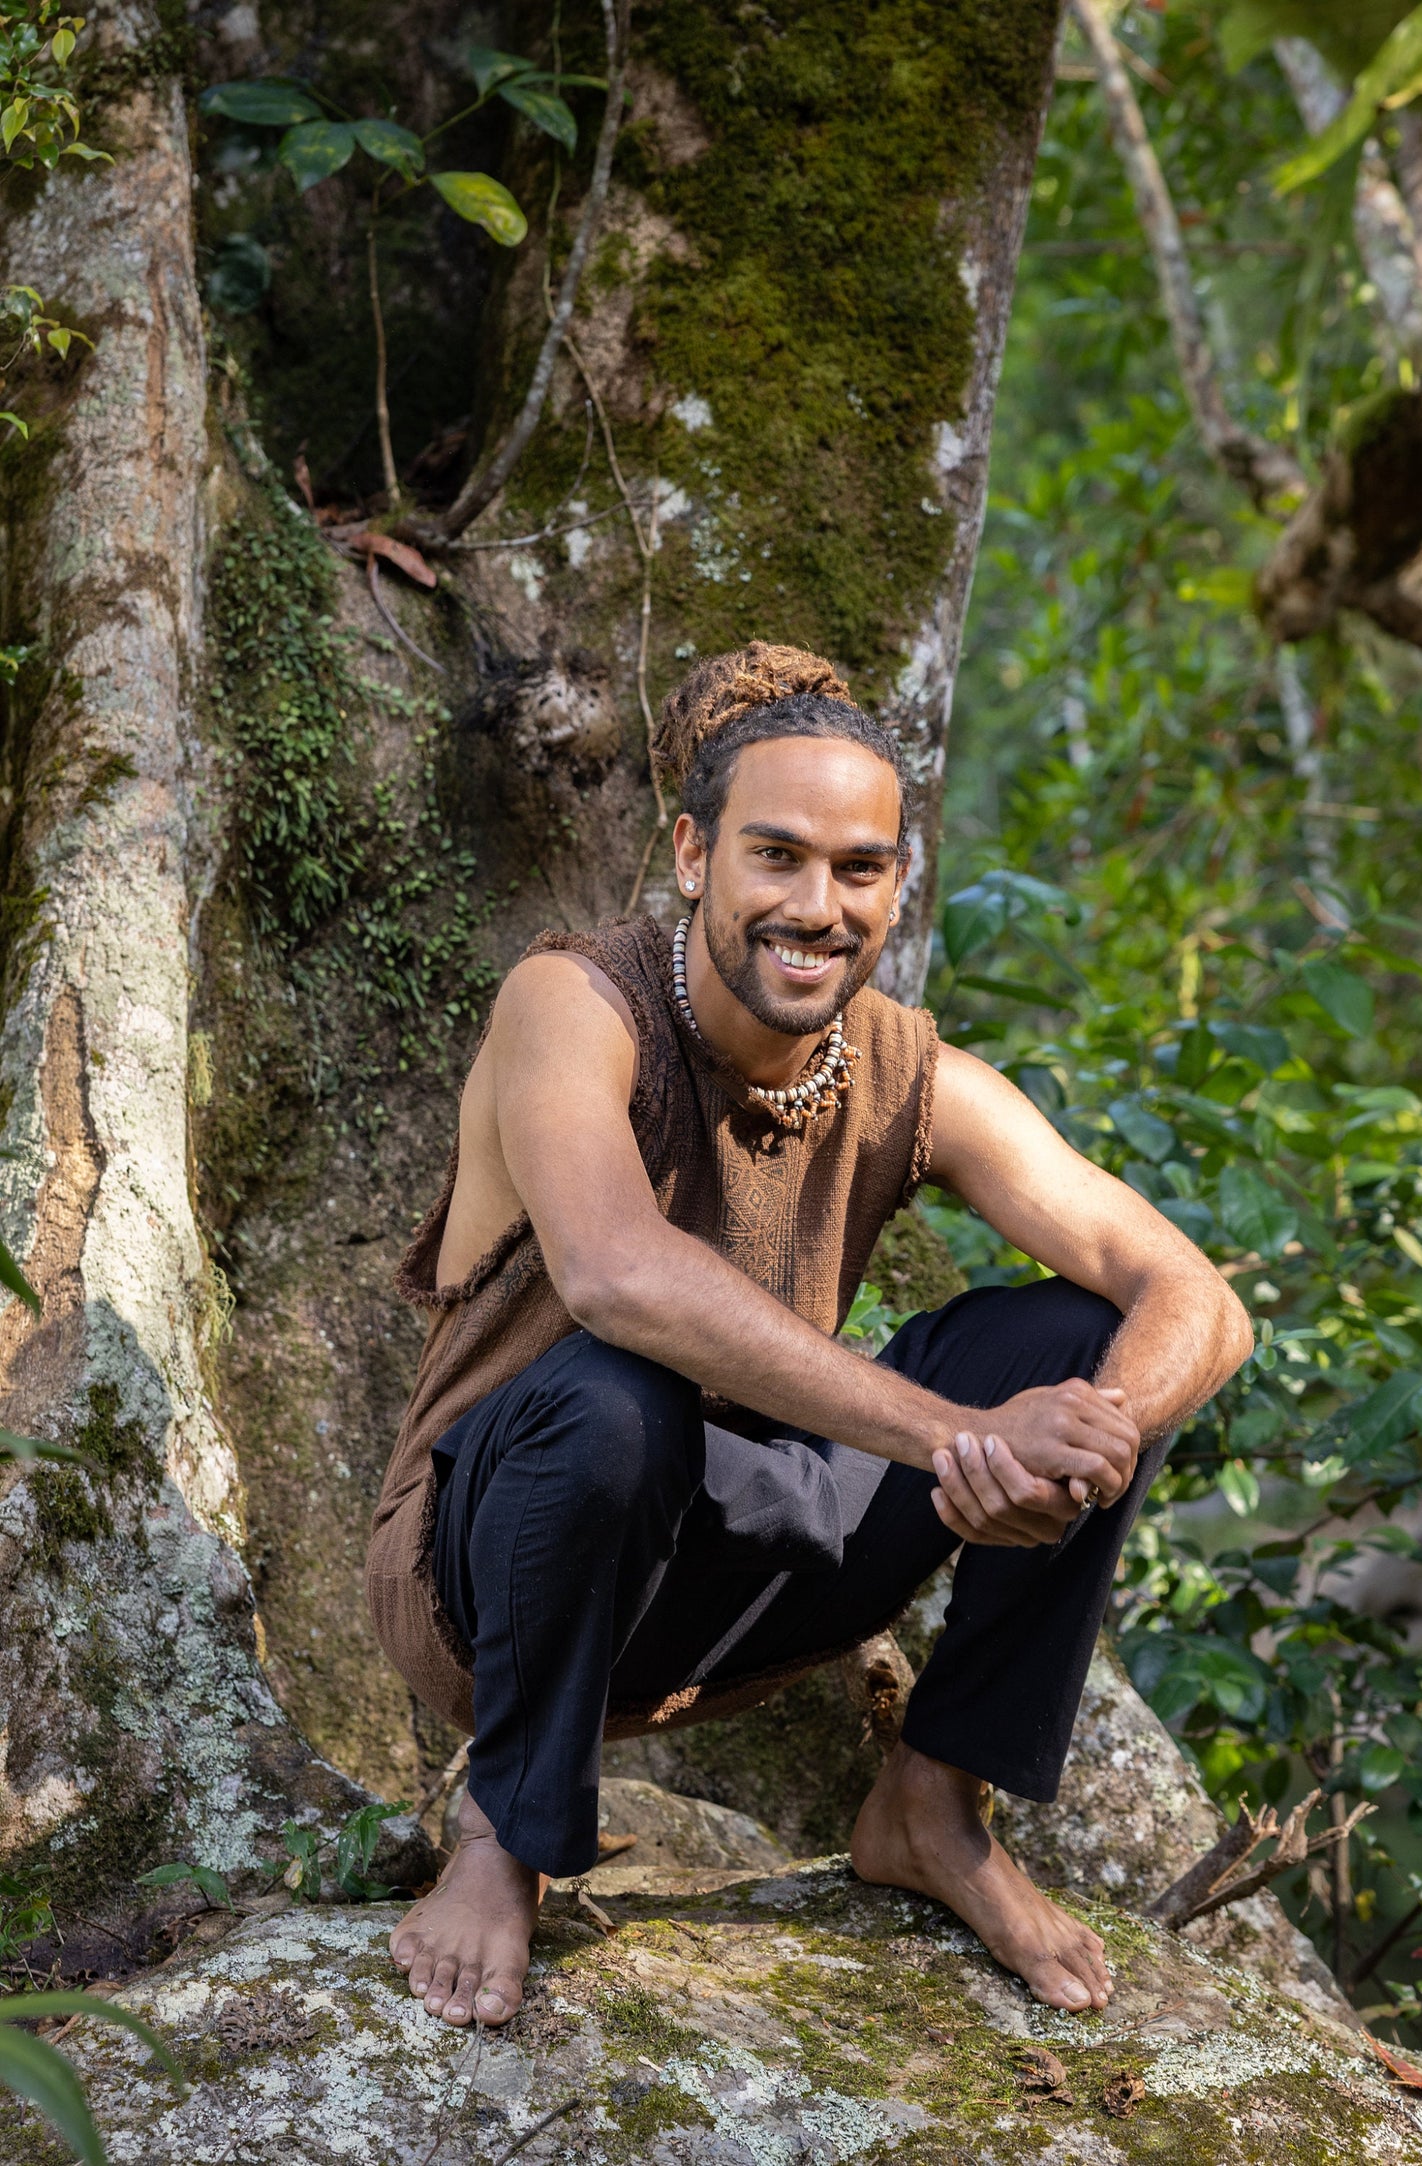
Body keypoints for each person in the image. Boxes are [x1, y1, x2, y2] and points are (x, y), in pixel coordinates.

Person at [366, 641, 1252, 2033]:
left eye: (857, 868)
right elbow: (612, 1274)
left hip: (745, 1564)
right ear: (690, 852)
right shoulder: (570, 1004)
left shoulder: (911, 1070)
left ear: (899, 881)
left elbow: (1196, 1296)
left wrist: (1086, 1433)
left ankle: (930, 1803)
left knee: (1085, 1350)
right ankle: (505, 1824)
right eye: (774, 854)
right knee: (613, 1393)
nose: (814, 904)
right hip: (494, 1569)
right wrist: (960, 1439)